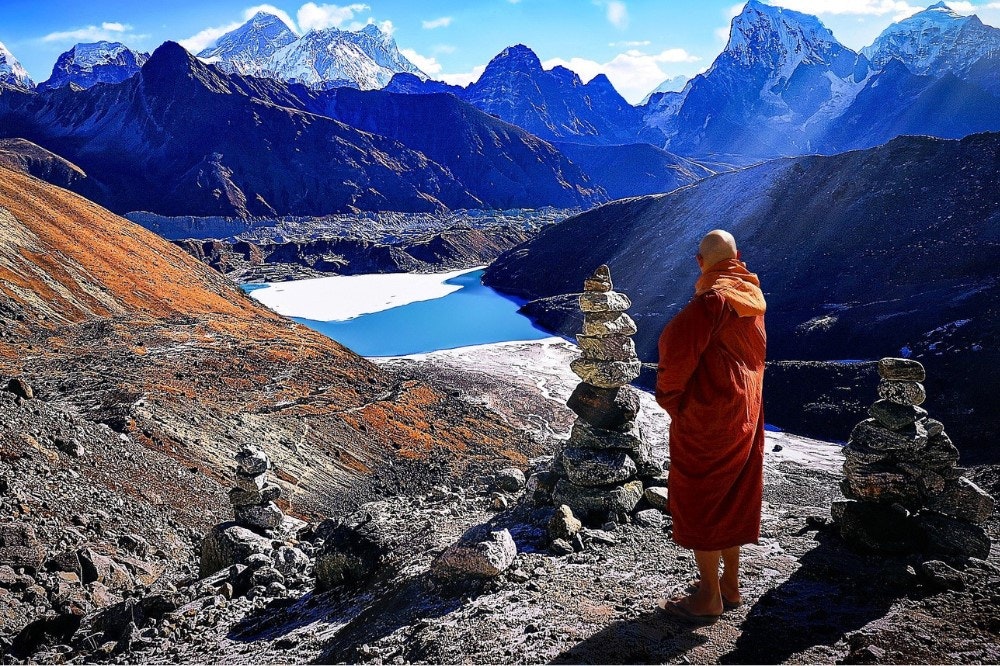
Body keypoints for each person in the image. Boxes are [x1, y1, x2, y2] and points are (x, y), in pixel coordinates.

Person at [654, 229, 767, 623]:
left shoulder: (712, 300)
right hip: (746, 412)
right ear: (738, 257)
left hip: (710, 417)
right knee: (732, 494)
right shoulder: (749, 295)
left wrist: (676, 404)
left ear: (700, 262)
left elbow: (674, 347)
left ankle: (707, 596)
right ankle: (729, 585)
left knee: (701, 496)